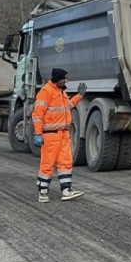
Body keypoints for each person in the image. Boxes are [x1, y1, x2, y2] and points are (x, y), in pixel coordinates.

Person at [32, 67, 87, 203]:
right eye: (64, 78)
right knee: (47, 163)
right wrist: (38, 133)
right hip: (50, 135)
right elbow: (37, 115)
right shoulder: (45, 92)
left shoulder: (60, 91)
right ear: (57, 79)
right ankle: (43, 192)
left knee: (65, 162)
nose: (66, 81)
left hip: (63, 134)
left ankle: (66, 190)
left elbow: (66, 106)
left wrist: (79, 97)